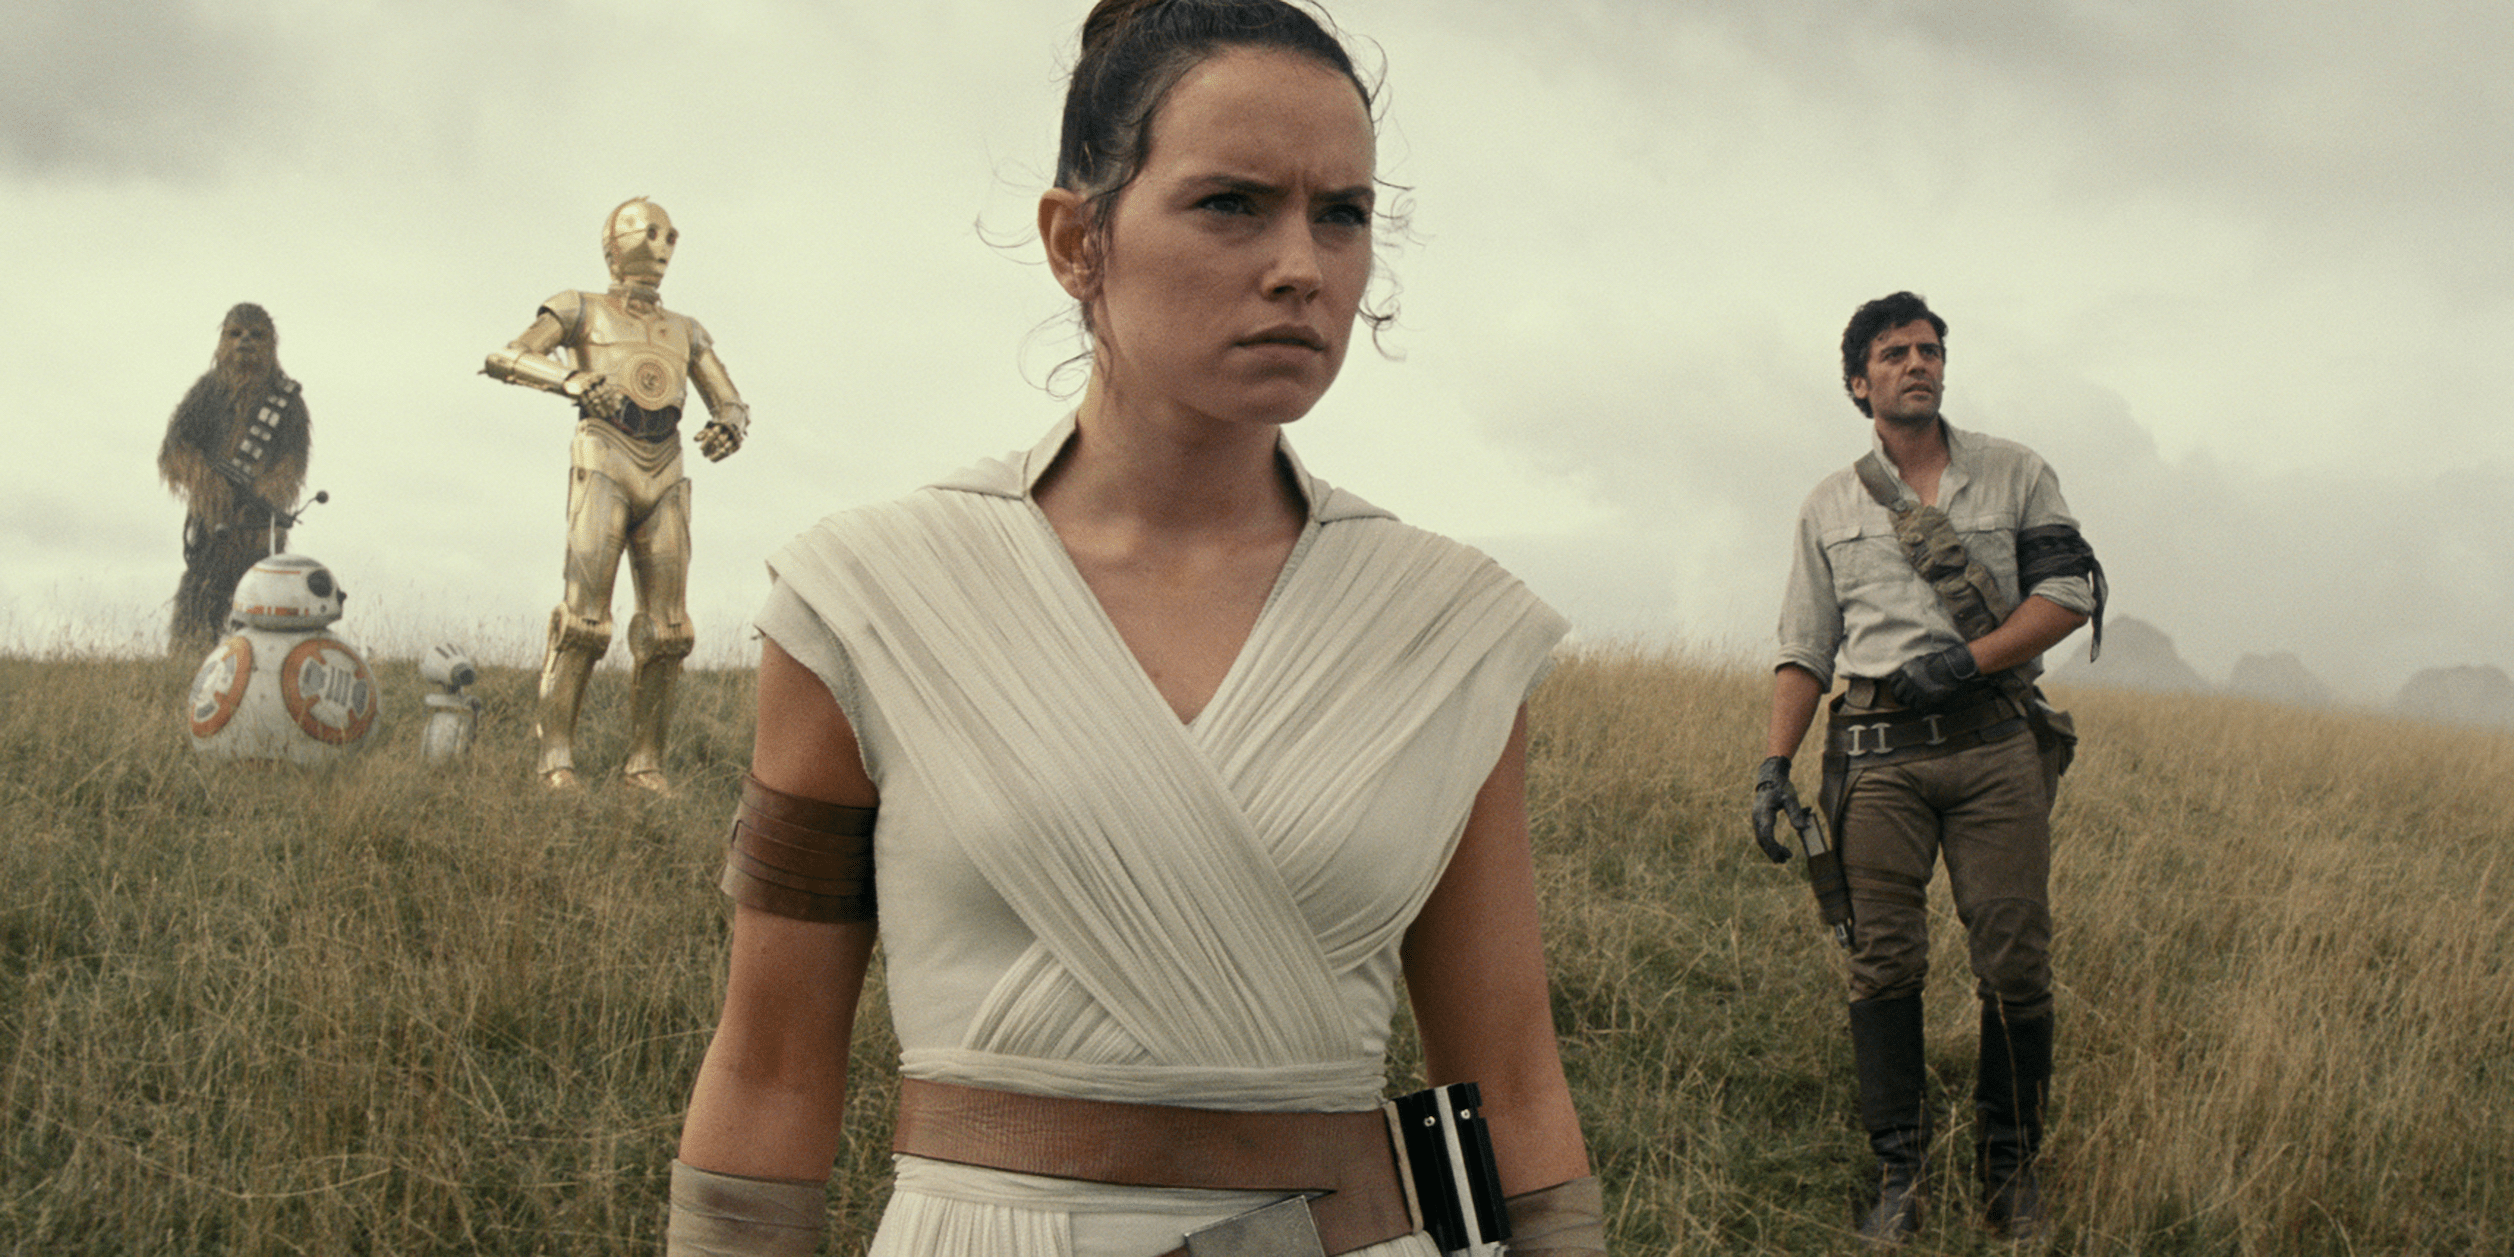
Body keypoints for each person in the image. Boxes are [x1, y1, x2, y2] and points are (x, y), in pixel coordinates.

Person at [665, 3, 1603, 1255]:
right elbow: (772, 1069)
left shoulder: (1445, 633)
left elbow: (1511, 1089)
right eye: (1232, 204)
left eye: (1342, 214)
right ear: (1077, 240)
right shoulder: (869, 603)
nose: (1302, 266)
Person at [1751, 292, 2103, 1244]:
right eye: (1895, 353)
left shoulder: (2016, 471)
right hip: (1878, 763)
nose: (1918, 363)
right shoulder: (1828, 505)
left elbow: (2070, 592)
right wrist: (1775, 764)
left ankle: (2011, 1170)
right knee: (1883, 961)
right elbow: (1804, 647)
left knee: (2016, 958)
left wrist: (1967, 662)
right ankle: (1899, 1172)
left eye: (1930, 349)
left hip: (1994, 747)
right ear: (1857, 382)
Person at [484, 197, 752, 793]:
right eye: (649, 232)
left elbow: (729, 397)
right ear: (614, 244)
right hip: (604, 452)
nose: (662, 245)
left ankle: (646, 764)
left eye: (670, 236)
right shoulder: (578, 307)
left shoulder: (685, 329)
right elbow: (507, 355)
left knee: (670, 630)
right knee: (584, 621)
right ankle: (555, 757)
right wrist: (572, 379)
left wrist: (730, 422)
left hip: (666, 463)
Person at [159, 303, 312, 655]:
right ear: (222, 341)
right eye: (236, 334)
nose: (245, 341)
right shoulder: (206, 392)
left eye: (256, 335)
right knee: (198, 603)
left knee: (262, 610)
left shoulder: (287, 402)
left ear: (271, 343)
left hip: (259, 531)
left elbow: (292, 463)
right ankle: (187, 663)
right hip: (213, 525)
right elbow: (175, 449)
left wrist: (264, 499)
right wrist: (210, 488)